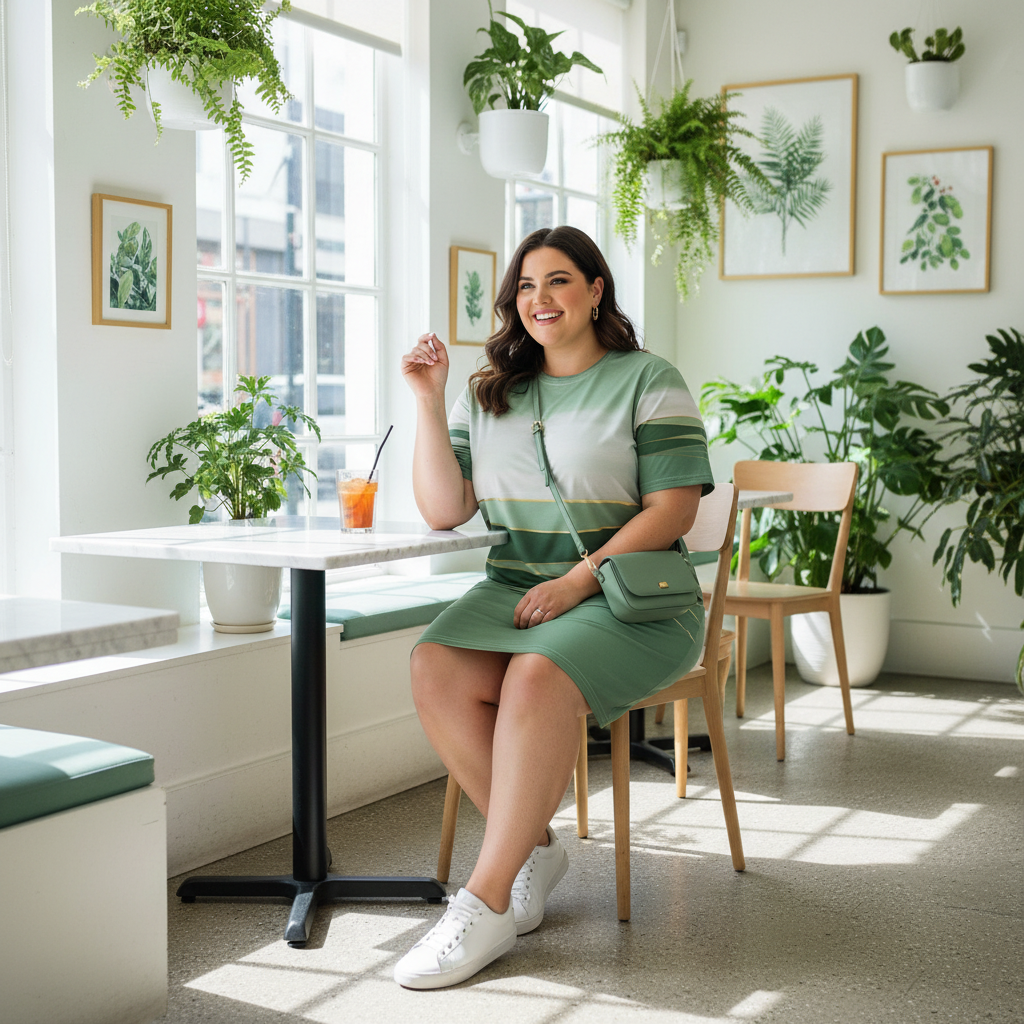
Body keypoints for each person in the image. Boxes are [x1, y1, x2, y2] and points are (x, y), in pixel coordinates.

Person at [393, 226, 715, 989]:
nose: (541, 300)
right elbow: (445, 510)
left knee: (535, 676)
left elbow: (674, 512)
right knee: (433, 665)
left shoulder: (649, 378)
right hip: (517, 590)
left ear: (596, 289)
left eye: (560, 281)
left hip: (629, 597)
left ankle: (485, 900)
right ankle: (533, 847)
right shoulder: (491, 390)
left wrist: (578, 580)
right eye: (527, 287)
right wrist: (429, 404)